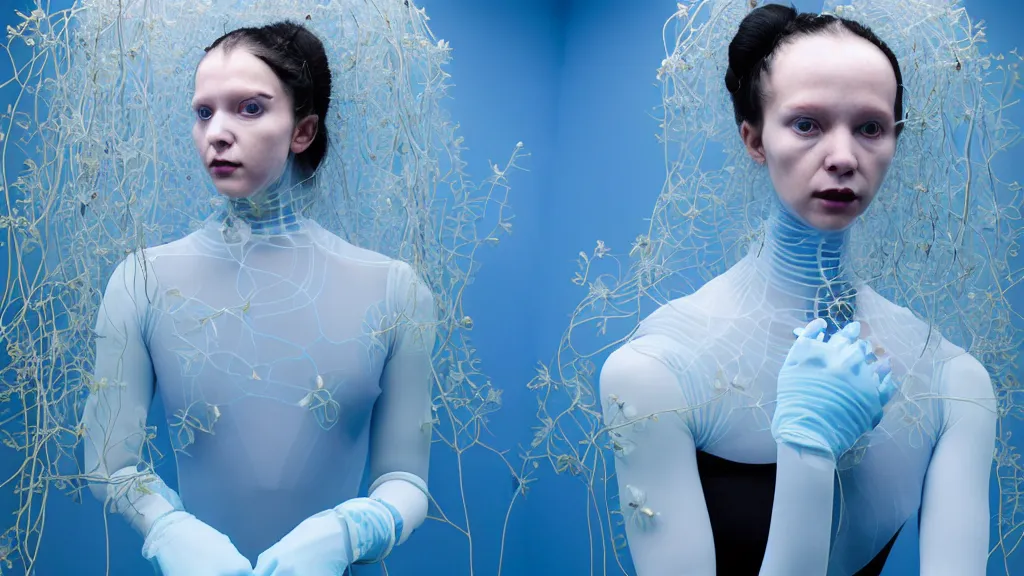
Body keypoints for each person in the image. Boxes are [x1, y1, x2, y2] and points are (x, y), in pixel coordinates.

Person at [599, 4, 997, 575]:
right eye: (807, 124)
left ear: (894, 141)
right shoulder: (657, 370)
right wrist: (808, 451)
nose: (842, 158)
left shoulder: (953, 384)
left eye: (870, 128)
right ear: (754, 139)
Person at [81, 21, 436, 576]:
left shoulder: (395, 290)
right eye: (204, 112)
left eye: (249, 108)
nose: (217, 132)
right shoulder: (143, 281)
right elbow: (108, 461)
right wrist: (168, 529)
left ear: (302, 129)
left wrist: (351, 530)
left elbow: (407, 478)